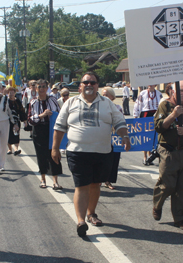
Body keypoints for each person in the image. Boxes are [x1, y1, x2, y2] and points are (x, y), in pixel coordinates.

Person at [51, 72, 131, 237]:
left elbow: (119, 122)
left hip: (102, 152)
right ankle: (81, 221)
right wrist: (55, 148)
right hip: (77, 152)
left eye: (92, 82)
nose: (89, 85)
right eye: (85, 82)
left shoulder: (107, 103)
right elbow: (59, 127)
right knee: (81, 185)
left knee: (95, 184)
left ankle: (91, 213)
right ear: (80, 85)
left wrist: (124, 136)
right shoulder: (71, 102)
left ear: (97, 85)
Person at [152, 81, 183, 230]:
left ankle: (180, 219)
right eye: (181, 91)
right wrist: (173, 115)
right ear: (172, 92)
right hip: (169, 151)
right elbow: (159, 127)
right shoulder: (165, 106)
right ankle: (157, 204)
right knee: (167, 185)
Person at [28, 79, 63, 189]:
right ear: (36, 88)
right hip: (39, 130)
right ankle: (43, 179)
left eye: (44, 86)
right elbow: (29, 119)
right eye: (40, 87)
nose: (42, 89)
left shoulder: (53, 100)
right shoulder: (33, 102)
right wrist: (41, 115)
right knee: (41, 155)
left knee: (54, 153)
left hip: (51, 130)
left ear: (47, 88)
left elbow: (60, 115)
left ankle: (55, 181)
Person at [133, 85, 162, 165]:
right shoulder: (143, 93)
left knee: (155, 136)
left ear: (155, 85)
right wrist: (136, 116)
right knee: (145, 136)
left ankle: (152, 155)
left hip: (155, 115)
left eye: (152, 84)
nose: (150, 86)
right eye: (149, 84)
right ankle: (145, 156)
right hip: (145, 115)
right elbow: (138, 105)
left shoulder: (159, 94)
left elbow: (161, 105)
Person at [102, 87, 123, 190]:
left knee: (113, 160)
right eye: (103, 95)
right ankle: (98, 179)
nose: (104, 97)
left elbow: (121, 121)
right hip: (102, 138)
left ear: (112, 96)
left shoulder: (117, 107)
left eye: (106, 95)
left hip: (114, 139)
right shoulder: (99, 107)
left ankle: (108, 180)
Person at [6, 86, 27, 156]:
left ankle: (16, 149)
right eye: (9, 92)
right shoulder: (5, 101)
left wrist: (24, 121)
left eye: (12, 92)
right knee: (8, 135)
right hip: (7, 121)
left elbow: (22, 111)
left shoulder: (17, 101)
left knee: (16, 134)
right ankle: (9, 149)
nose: (10, 94)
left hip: (16, 121)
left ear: (15, 93)